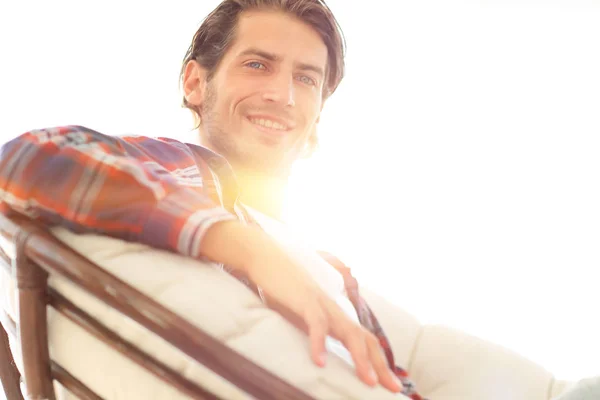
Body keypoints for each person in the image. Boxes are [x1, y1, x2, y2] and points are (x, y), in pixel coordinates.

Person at [0, 0, 428, 398]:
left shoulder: (328, 269)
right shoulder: (195, 174)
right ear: (195, 83)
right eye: (258, 64)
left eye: (306, 78)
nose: (284, 95)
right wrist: (252, 250)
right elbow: (26, 159)